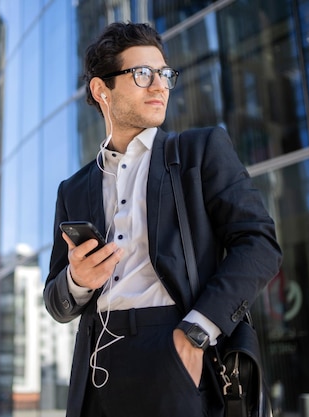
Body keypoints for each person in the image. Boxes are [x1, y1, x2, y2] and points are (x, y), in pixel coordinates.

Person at [44, 22, 282, 417]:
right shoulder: (73, 189)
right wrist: (78, 281)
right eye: (142, 74)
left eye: (164, 73)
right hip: (95, 365)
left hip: (176, 348)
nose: (160, 86)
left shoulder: (199, 151)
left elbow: (259, 244)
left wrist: (195, 333)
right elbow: (57, 303)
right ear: (101, 90)